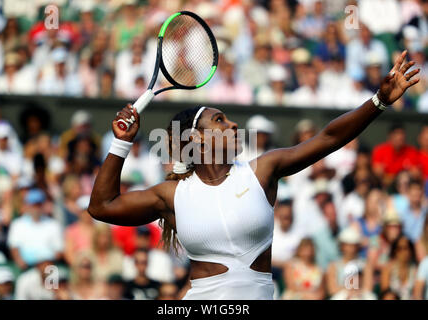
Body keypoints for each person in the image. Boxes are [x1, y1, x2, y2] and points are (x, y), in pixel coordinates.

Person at [88, 51, 420, 300]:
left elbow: (328, 138)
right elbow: (102, 207)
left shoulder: (262, 171)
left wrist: (378, 101)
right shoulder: (170, 195)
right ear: (195, 139)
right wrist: (121, 142)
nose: (233, 125)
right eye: (219, 121)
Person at [7, 188, 64, 270]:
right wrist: (23, 265)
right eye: (33, 205)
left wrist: (46, 265)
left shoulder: (53, 224)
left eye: (39, 204)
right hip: (28, 268)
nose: (36, 208)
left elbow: (58, 251)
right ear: (27, 205)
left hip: (49, 267)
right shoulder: (17, 224)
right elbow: (14, 248)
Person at [380, 235, 418, 300]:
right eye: (399, 248)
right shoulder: (388, 268)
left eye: (406, 248)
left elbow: (417, 293)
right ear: (395, 251)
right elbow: (385, 292)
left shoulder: (415, 270)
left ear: (411, 250)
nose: (403, 252)